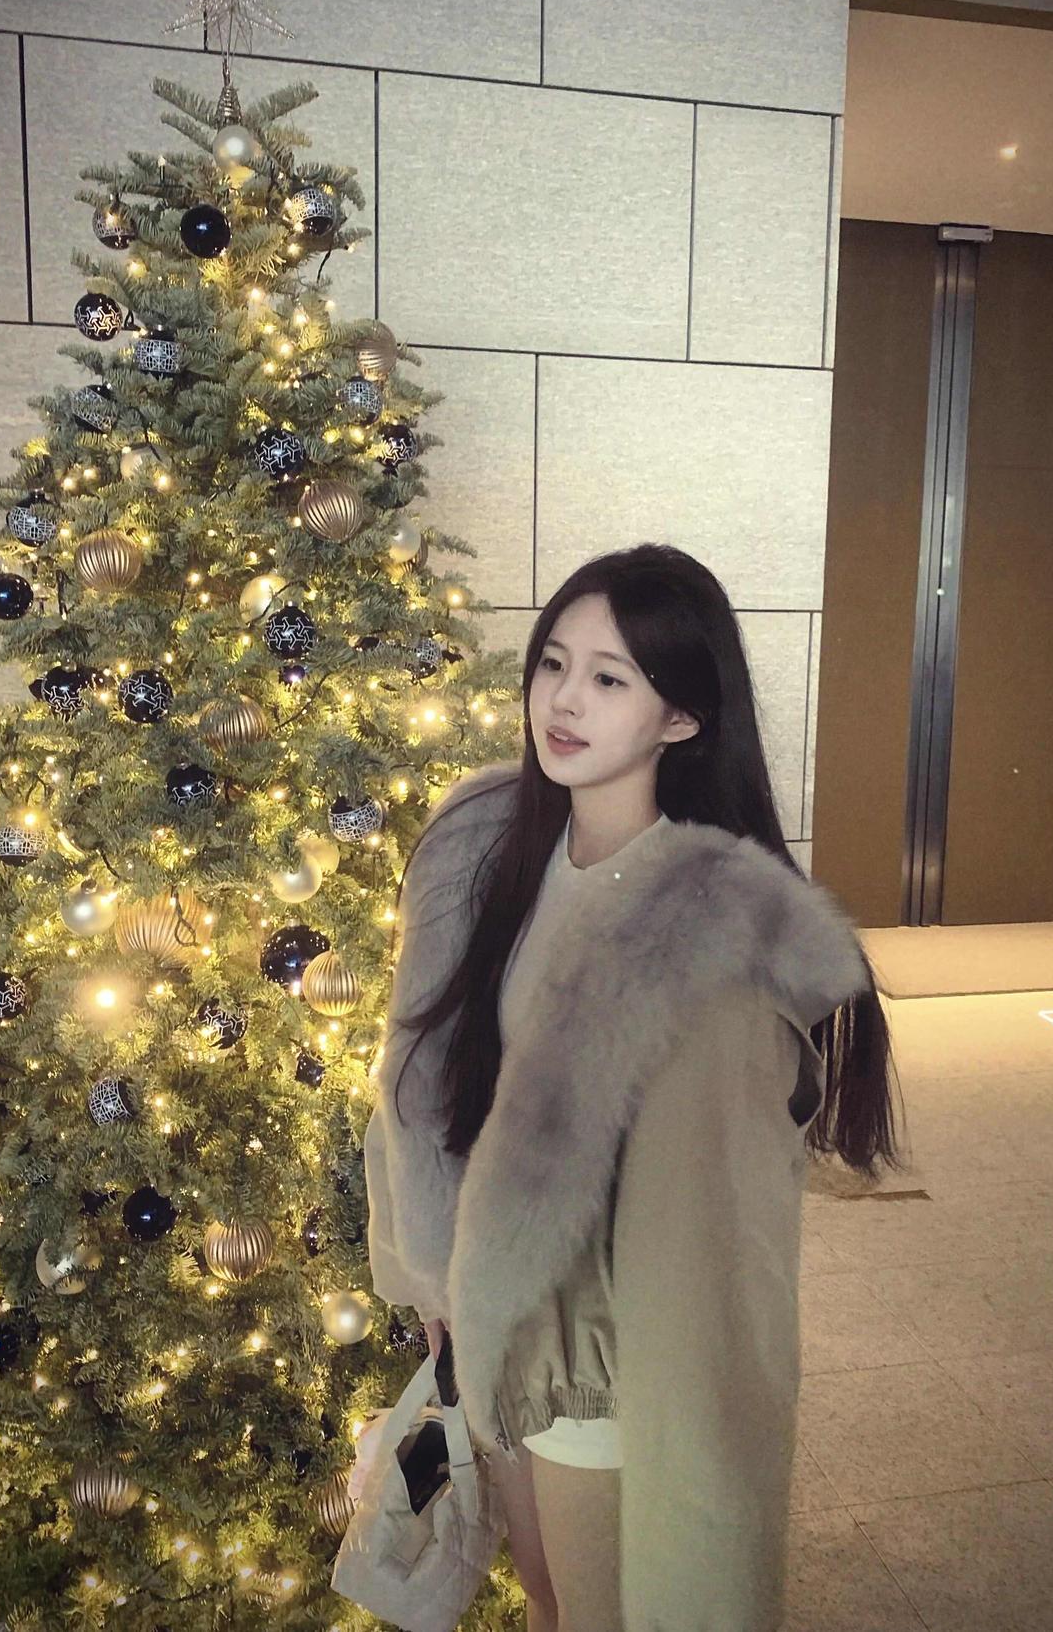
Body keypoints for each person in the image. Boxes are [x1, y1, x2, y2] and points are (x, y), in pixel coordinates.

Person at [362, 543, 904, 1630]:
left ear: (681, 717)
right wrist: (440, 1289)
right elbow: (428, 1084)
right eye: (553, 662)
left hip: (598, 1355)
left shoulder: (700, 927)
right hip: (497, 1326)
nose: (563, 701)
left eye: (610, 678)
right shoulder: (491, 844)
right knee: (544, 1599)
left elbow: (706, 1228)